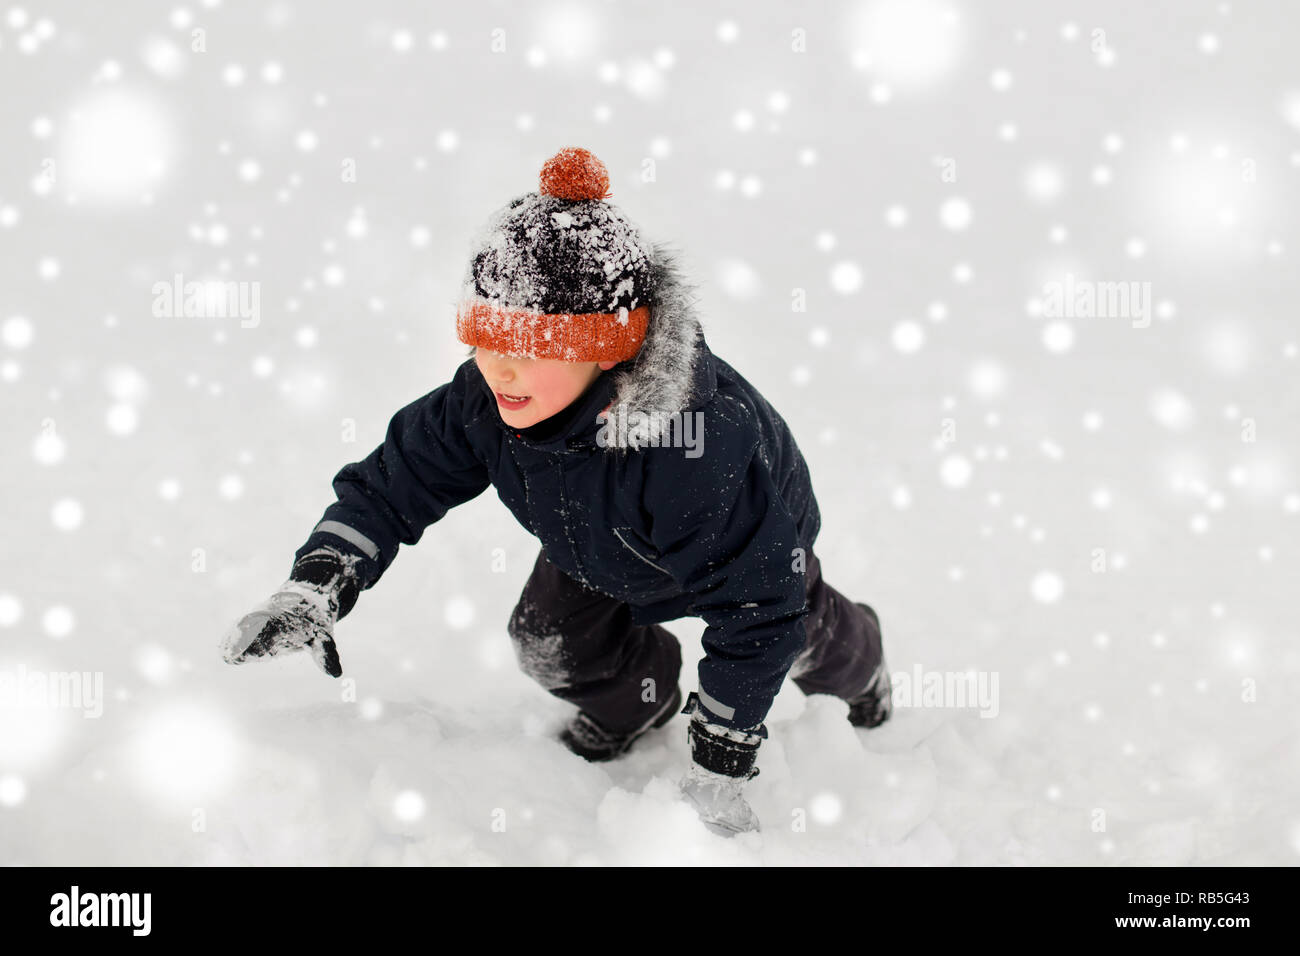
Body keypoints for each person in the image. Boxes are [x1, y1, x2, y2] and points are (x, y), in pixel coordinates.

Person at [221, 147, 892, 838]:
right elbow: (392, 485)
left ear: (608, 346)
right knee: (546, 640)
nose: (502, 367)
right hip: (599, 542)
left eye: (533, 346)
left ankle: (863, 659)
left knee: (797, 632)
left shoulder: (691, 442)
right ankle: (642, 695)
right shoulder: (485, 402)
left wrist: (719, 767)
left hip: (745, 542)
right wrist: (318, 583)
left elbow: (754, 612)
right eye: (486, 338)